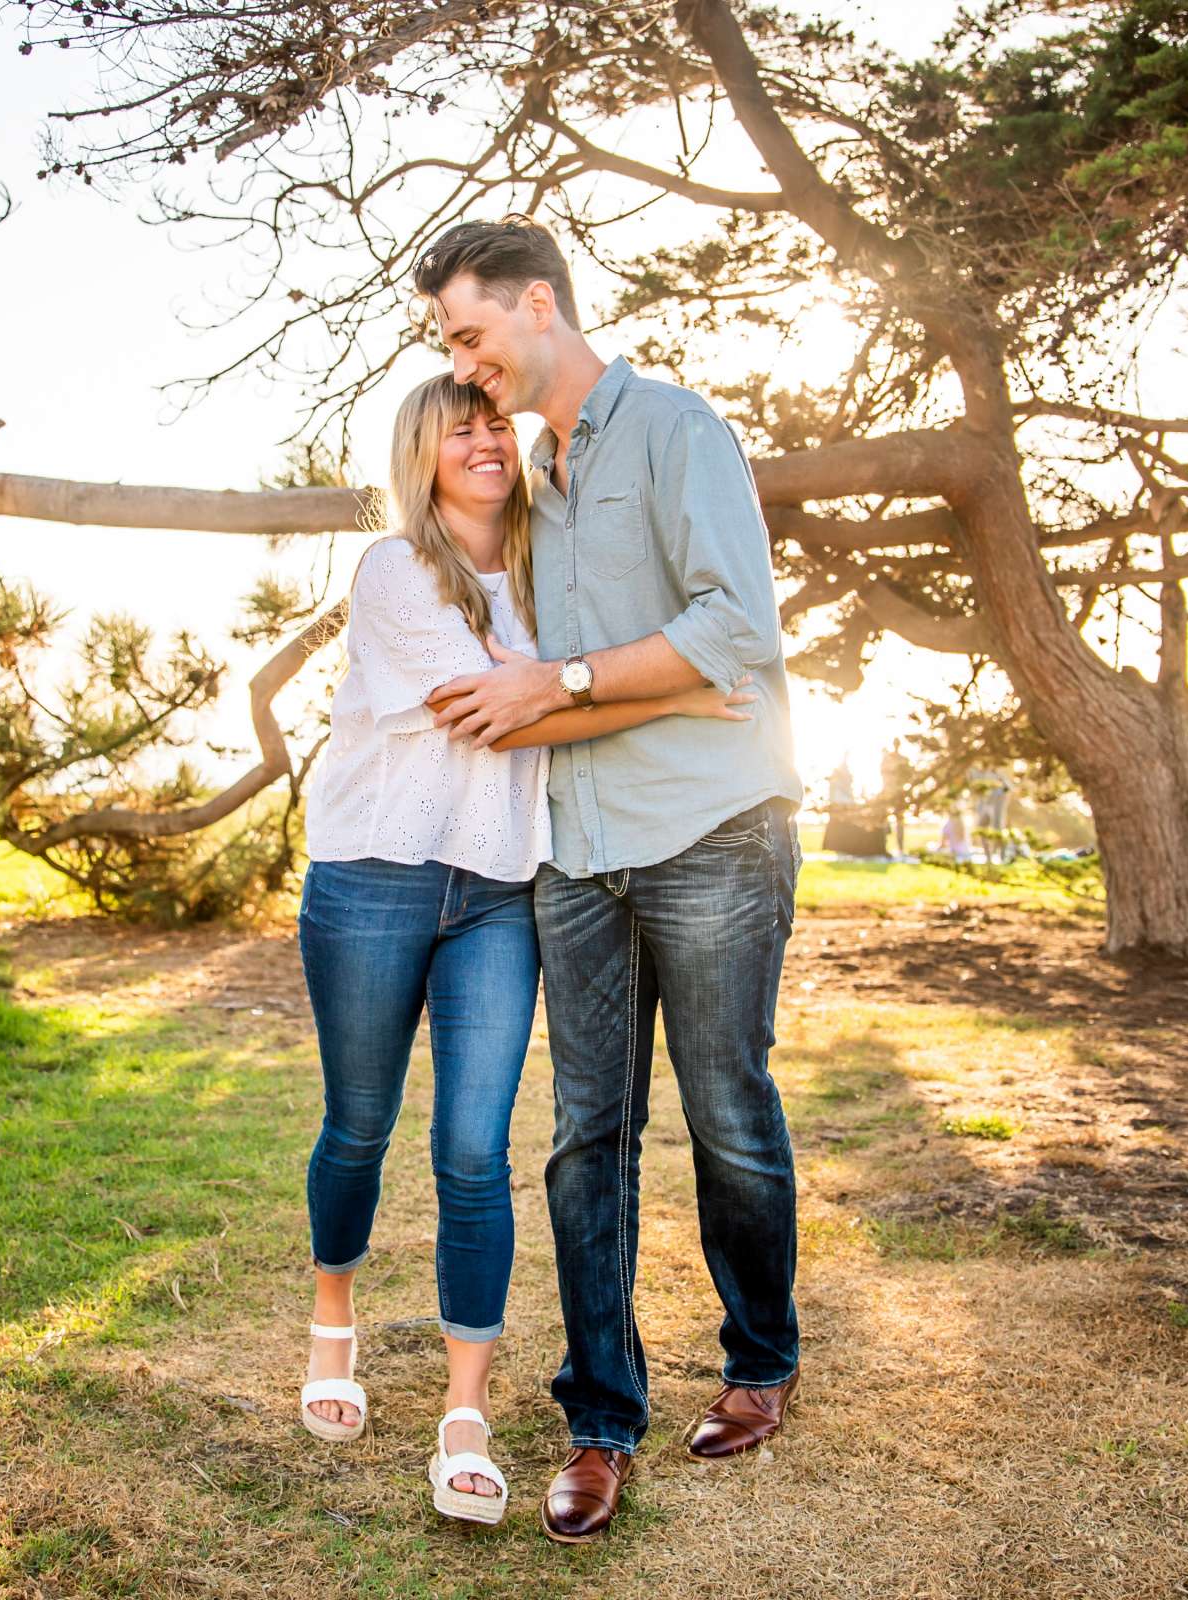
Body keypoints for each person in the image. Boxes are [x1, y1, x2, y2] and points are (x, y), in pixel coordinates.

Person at [294, 373, 755, 1528]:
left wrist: (644, 677)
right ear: (423, 453)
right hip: (375, 876)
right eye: (461, 427)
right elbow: (500, 710)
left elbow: (567, 682)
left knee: (473, 1146)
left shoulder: (552, 574)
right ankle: (332, 1330)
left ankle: (466, 1417)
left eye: (495, 419)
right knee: (359, 1123)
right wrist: (685, 699)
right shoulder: (395, 571)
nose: (487, 439)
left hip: (502, 886)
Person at [417, 217, 805, 1545]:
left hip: (712, 832)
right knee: (589, 1137)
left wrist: (574, 683)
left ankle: (759, 1363)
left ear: (539, 304)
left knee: (729, 1113)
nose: (463, 366)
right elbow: (586, 680)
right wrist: (623, 696)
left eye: (468, 333)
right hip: (574, 853)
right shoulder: (528, 478)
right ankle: (599, 1419)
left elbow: (736, 629)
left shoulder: (677, 429)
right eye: (446, 349)